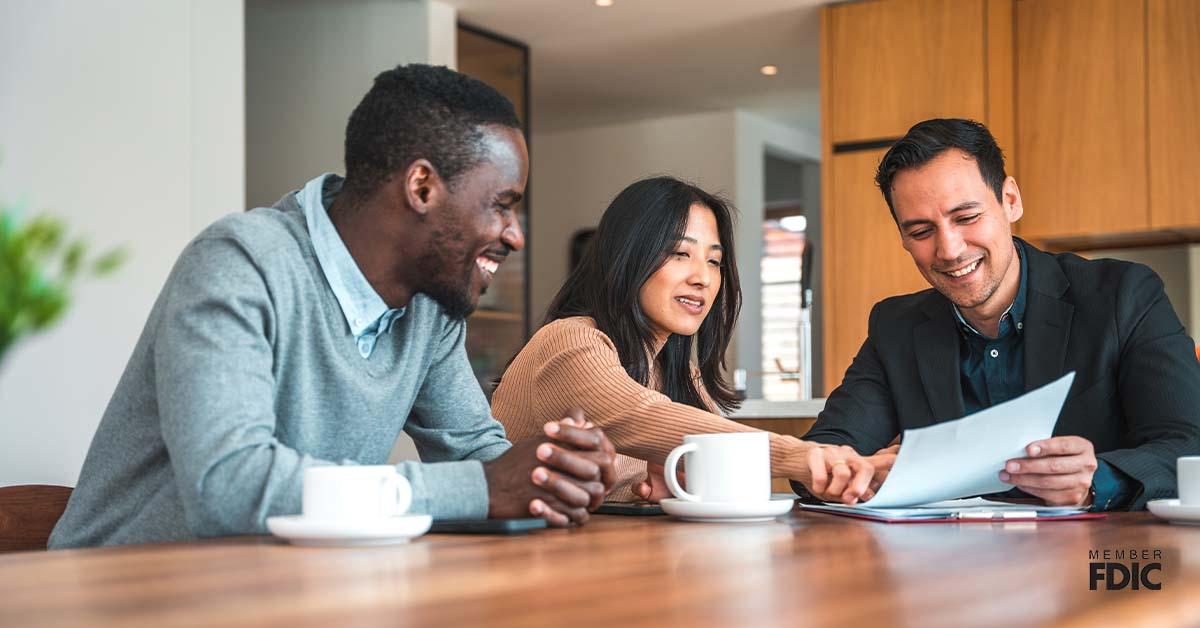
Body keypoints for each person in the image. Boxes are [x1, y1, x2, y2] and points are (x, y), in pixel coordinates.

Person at [49, 64, 617, 548]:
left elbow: (478, 456)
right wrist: (487, 486)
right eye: (502, 205)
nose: (514, 236)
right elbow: (229, 487)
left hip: (276, 589)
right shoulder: (238, 263)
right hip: (117, 596)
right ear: (422, 187)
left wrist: (554, 472)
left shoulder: (428, 308)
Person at [803, 118, 1200, 510]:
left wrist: (1098, 480)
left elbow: (1188, 444)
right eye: (921, 231)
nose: (950, 250)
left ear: (1010, 201)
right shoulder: (895, 327)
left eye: (966, 217)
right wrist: (847, 473)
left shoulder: (1124, 296)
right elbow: (827, 448)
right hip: (945, 564)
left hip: (1095, 563)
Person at [493, 176, 885, 505]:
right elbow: (643, 417)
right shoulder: (571, 343)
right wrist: (806, 456)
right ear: (628, 258)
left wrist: (646, 493)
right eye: (680, 253)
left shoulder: (681, 372)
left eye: (713, 260)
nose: (703, 277)